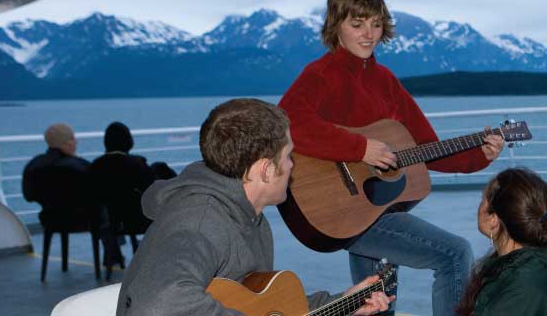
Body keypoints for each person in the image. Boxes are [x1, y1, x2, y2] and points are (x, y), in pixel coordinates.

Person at [277, 0, 505, 316]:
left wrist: (479, 156)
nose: (369, 34)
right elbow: (286, 122)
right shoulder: (320, 74)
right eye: (358, 24)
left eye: (376, 24)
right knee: (454, 254)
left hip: (368, 208)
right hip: (334, 210)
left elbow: (427, 147)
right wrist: (358, 149)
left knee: (375, 301)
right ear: (337, 24)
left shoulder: (385, 82)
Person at [116, 98, 392, 315]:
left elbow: (258, 304)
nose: (292, 165)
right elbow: (156, 306)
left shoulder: (250, 218)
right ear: (266, 170)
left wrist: (344, 303)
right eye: (288, 156)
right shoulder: (199, 222)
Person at [455, 168, 547, 316]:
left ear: (494, 219)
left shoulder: (522, 289)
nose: (480, 204)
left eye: (483, 198)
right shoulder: (545, 258)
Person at [88, 121, 156, 274]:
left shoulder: (95, 166)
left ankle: (112, 254)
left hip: (110, 223)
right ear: (129, 141)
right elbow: (152, 190)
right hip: (137, 220)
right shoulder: (137, 164)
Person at [22, 123, 95, 231]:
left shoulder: (34, 164)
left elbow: (28, 196)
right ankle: (114, 246)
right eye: (72, 138)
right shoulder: (78, 165)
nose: (76, 142)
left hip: (49, 219)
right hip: (82, 220)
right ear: (66, 143)